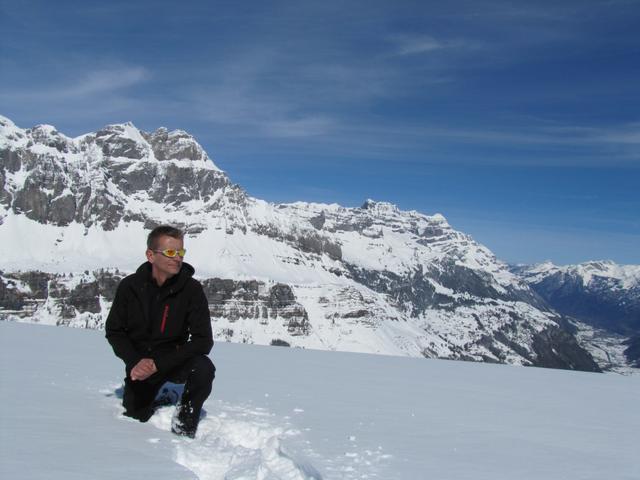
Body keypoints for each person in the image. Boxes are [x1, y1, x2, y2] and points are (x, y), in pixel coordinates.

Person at [105, 225, 214, 438]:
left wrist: (159, 364)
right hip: (140, 364)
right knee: (135, 416)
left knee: (203, 368)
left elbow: (203, 341)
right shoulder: (130, 287)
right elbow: (114, 330)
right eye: (171, 253)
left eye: (180, 252)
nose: (177, 258)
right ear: (151, 255)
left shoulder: (191, 289)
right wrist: (135, 361)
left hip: (173, 360)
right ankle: (158, 394)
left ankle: (184, 425)